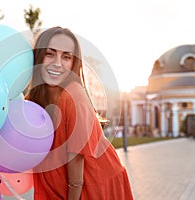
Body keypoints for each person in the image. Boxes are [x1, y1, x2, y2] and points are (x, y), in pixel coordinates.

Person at [26, 26, 134, 200]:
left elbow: (76, 163)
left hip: (94, 183)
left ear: (74, 62)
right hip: (63, 183)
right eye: (50, 53)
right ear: (39, 56)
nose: (57, 63)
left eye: (66, 57)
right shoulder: (36, 96)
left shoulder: (73, 95)